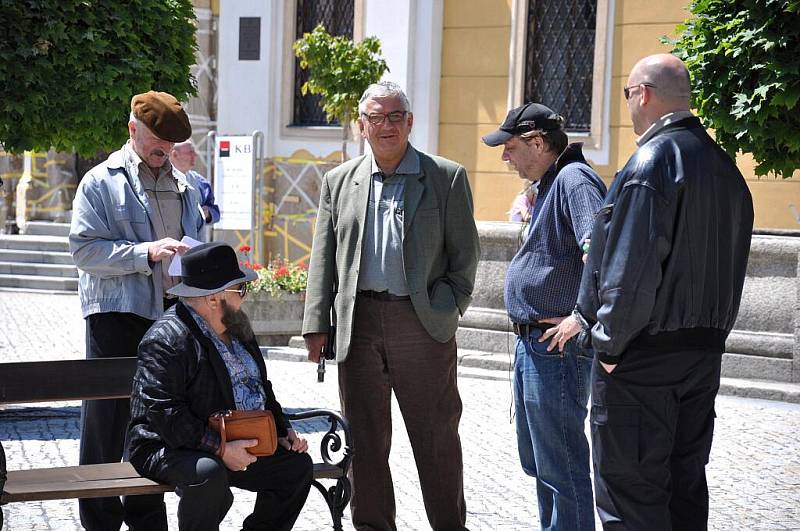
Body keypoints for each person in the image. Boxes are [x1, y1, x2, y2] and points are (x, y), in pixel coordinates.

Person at [574, 54, 754, 529]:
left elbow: (630, 269)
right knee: (684, 490)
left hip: (640, 360)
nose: (628, 105)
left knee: (630, 497)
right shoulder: (726, 170)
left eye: (628, 94)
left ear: (645, 94)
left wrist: (609, 347)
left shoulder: (651, 163)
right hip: (700, 358)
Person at [302, 81, 480, 531]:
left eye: (395, 116)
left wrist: (448, 306)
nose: (386, 126)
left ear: (409, 123)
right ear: (361, 126)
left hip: (421, 323)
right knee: (364, 439)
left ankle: (449, 525)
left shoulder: (446, 176)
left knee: (436, 437)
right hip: (358, 324)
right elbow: (323, 258)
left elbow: (465, 257)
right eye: (376, 118)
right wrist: (316, 325)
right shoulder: (339, 181)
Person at [69, 91, 203, 530]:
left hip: (169, 318)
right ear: (132, 130)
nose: (163, 151)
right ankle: (100, 520)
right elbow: (85, 251)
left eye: (169, 144)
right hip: (116, 316)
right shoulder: (99, 181)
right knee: (106, 423)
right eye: (155, 141)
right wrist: (146, 252)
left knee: (154, 422)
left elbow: (197, 243)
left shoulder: (184, 186)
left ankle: (147, 518)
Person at [128, 242, 313, 531]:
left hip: (233, 437)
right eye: (240, 290)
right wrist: (221, 449)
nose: (244, 297)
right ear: (214, 299)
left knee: (295, 468)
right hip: (166, 444)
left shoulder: (237, 326)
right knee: (208, 473)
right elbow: (166, 415)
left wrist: (282, 431)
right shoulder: (166, 339)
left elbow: (261, 387)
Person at [482, 102, 606, 530]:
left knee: (562, 465)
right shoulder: (554, 181)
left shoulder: (574, 179)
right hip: (534, 345)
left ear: (537, 142)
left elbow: (601, 252)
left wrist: (582, 317)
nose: (504, 156)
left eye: (510, 147)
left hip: (556, 347)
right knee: (542, 462)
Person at [171, 140, 220, 241]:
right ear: (175, 154)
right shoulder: (160, 179)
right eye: (190, 152)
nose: (195, 155)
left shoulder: (199, 181)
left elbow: (215, 212)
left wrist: (208, 213)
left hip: (196, 245)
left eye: (194, 152)